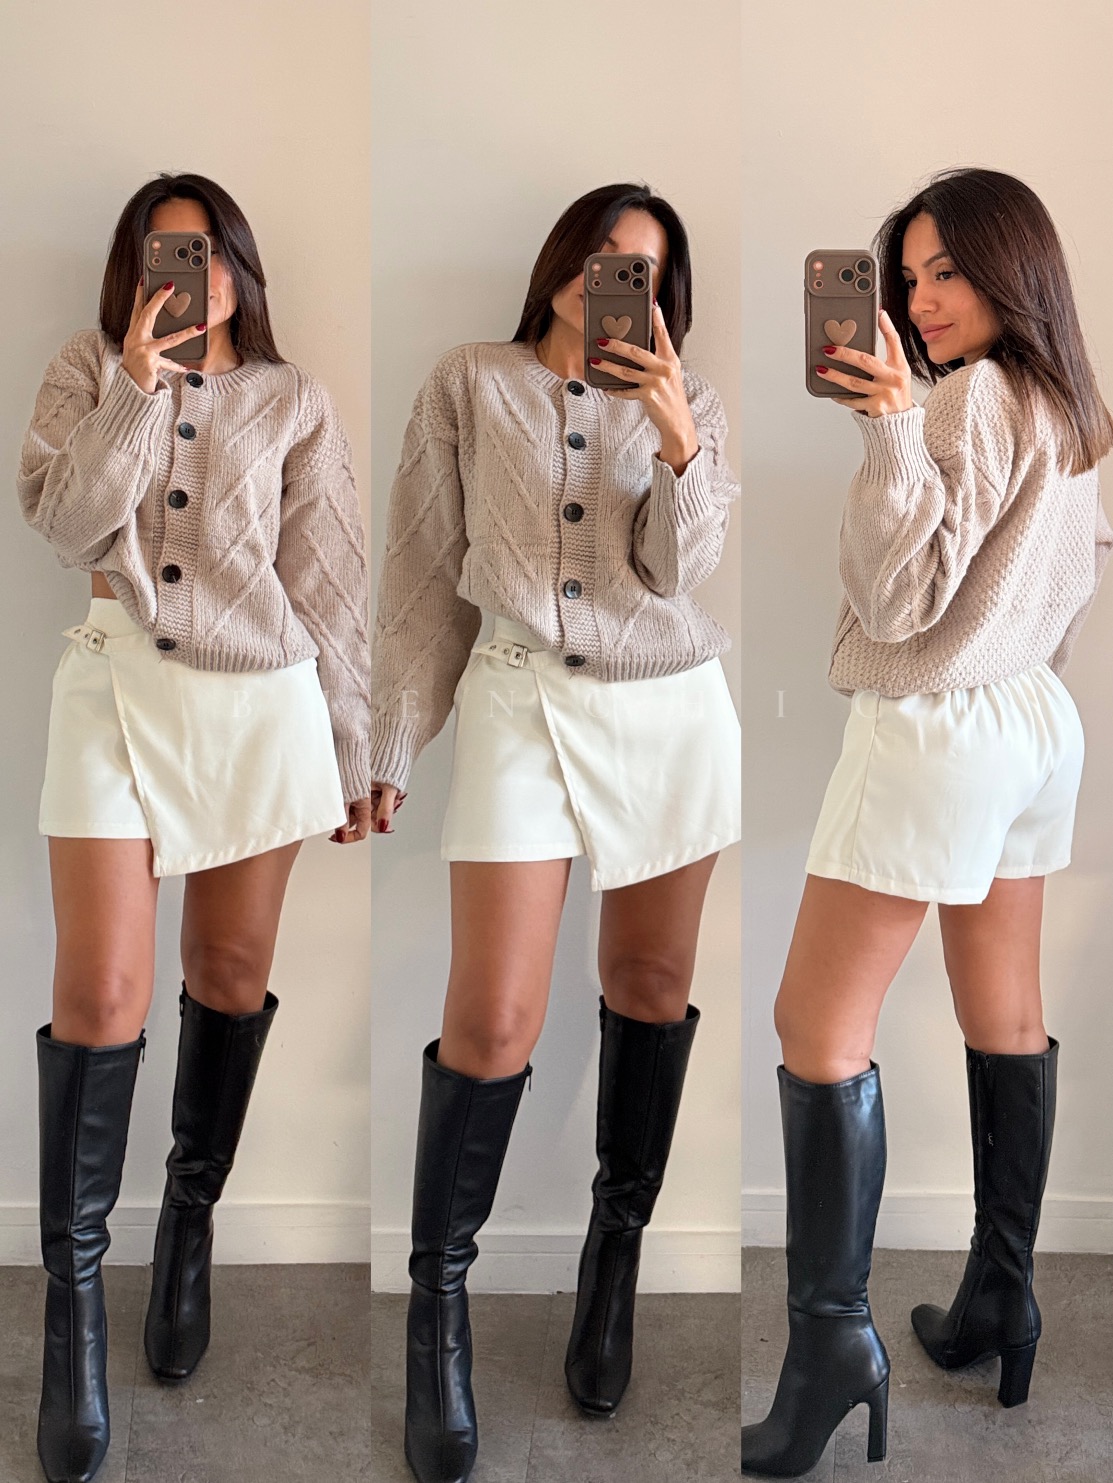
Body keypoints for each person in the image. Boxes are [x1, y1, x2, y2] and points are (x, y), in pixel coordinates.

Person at [741, 168, 1113, 1478]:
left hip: (941, 727)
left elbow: (900, 605)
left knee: (814, 1027)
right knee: (1003, 1011)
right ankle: (1000, 1299)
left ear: (1013, 271)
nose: (921, 299)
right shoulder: (1072, 409)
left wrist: (892, 431)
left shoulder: (961, 403)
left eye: (947, 271)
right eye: (907, 277)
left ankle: (830, 1351)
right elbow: (1067, 590)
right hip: (1035, 728)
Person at [368, 182, 741, 1483]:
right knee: (493, 1021)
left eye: (640, 268)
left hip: (669, 711)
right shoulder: (469, 382)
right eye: (596, 254)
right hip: (518, 700)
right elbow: (423, 577)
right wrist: (387, 743)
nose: (608, 278)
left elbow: (677, 573)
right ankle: (437, 1321)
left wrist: (678, 436)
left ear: (665, 296)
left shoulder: (689, 400)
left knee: (648, 986)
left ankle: (612, 1270)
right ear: (556, 262)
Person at [18, 172, 373, 1483]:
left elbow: (328, 581)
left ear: (239, 268)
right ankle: (73, 1325)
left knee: (226, 974)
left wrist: (356, 747)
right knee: (100, 997)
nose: (190, 274)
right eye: (162, 253)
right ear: (134, 273)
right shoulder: (86, 370)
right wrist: (134, 383)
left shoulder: (293, 400)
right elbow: (64, 524)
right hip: (111, 686)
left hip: (258, 702)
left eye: (208, 251)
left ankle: (187, 1230)